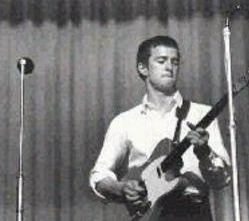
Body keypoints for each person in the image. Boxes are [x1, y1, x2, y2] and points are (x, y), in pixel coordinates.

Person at [90, 35, 231, 221]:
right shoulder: (124, 122)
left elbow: (221, 181)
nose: (169, 67)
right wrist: (122, 188)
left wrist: (204, 153)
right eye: (161, 61)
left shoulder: (201, 115)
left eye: (175, 61)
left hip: (195, 213)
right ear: (143, 68)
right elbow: (99, 175)